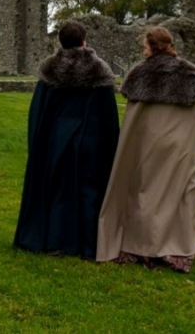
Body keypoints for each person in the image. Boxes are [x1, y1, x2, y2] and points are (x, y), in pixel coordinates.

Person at [96, 26, 195, 273]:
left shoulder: (141, 73)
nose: (143, 51)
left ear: (153, 47)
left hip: (149, 143)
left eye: (145, 46)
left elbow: (135, 119)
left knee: (146, 188)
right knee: (179, 190)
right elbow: (192, 119)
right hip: (179, 144)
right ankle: (176, 247)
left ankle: (144, 245)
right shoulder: (189, 73)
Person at [13, 20, 120, 259]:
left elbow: (39, 112)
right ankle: (88, 244)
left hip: (56, 142)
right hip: (90, 141)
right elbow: (107, 115)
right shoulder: (98, 69)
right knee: (88, 190)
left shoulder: (50, 69)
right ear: (84, 41)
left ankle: (56, 241)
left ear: (60, 41)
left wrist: (41, 142)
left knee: (58, 190)